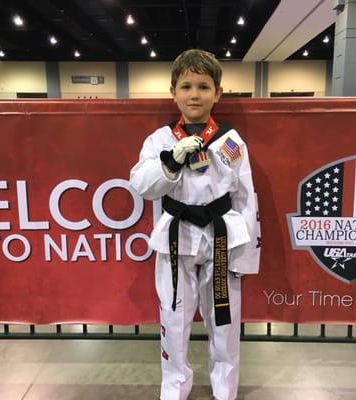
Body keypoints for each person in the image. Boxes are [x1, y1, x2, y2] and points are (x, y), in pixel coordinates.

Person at [129, 49, 260, 400]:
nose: (194, 95)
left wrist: (245, 257)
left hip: (221, 240)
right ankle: (174, 388)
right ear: (173, 92)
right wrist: (171, 161)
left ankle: (224, 390)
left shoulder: (231, 141)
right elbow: (142, 186)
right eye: (186, 86)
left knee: (224, 323)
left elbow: (246, 197)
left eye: (203, 87)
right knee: (173, 322)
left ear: (218, 92)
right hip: (176, 240)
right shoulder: (160, 140)